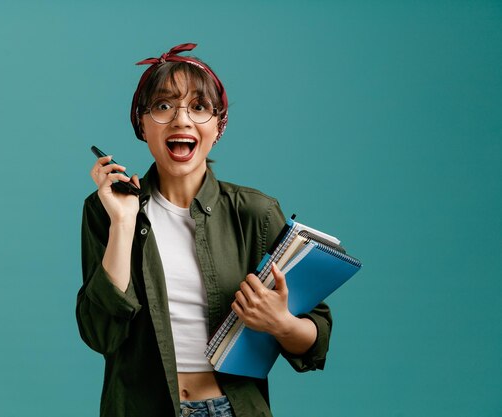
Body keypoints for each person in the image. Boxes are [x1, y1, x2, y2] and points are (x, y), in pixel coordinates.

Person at [76, 43, 332, 417]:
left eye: (198, 107)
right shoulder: (106, 210)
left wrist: (281, 322)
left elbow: (316, 339)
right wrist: (123, 222)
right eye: (163, 106)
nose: (181, 120)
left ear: (218, 126)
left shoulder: (255, 213)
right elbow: (101, 335)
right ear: (142, 125)